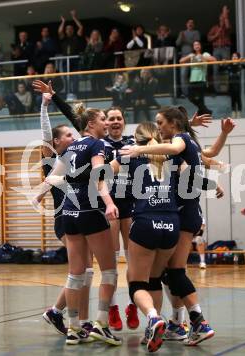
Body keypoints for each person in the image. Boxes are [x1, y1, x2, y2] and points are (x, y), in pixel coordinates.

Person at [120, 107, 234, 346]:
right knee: (164, 274)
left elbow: (181, 155)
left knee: (173, 272)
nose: (158, 126)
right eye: (157, 123)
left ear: (172, 124)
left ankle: (195, 321)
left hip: (181, 215)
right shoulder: (179, 144)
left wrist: (139, 148)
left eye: (161, 122)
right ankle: (175, 323)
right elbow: (208, 153)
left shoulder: (177, 145)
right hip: (182, 215)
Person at [40, 103, 122, 346]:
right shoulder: (96, 145)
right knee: (109, 271)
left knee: (76, 274)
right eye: (103, 120)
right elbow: (99, 176)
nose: (106, 123)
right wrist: (108, 202)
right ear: (91, 124)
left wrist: (38, 195)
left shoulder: (70, 148)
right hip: (90, 209)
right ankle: (101, 324)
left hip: (68, 213)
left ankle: (74, 328)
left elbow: (52, 176)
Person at [108, 121, 182, 352]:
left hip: (145, 221)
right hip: (171, 224)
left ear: (136, 139)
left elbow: (101, 173)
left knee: (136, 282)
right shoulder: (170, 154)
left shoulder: (130, 154)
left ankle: (152, 317)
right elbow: (195, 170)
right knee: (154, 279)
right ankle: (155, 324)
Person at [32, 81, 96, 337]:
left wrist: (55, 98)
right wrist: (44, 106)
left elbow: (80, 124)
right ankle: (74, 322)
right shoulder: (53, 159)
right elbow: (46, 133)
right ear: (58, 141)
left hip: (81, 215)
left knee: (85, 270)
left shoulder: (79, 153)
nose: (74, 137)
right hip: (65, 218)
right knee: (79, 271)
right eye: (68, 135)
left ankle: (65, 315)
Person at [102, 107, 139, 331]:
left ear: (124, 121)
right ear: (105, 122)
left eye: (119, 118)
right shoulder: (100, 144)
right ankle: (113, 307)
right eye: (111, 118)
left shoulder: (133, 142)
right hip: (110, 204)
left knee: (135, 259)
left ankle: (133, 305)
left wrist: (188, 126)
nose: (115, 121)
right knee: (111, 261)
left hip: (132, 203)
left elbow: (163, 138)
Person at [179, 41, 216, 115]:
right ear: (193, 47)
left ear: (200, 46)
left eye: (198, 44)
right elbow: (181, 61)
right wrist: (189, 56)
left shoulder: (205, 54)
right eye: (195, 45)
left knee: (201, 99)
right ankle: (206, 111)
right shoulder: (192, 55)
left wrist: (202, 57)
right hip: (192, 80)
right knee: (190, 97)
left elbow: (214, 59)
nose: (196, 46)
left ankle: (202, 113)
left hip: (202, 80)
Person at [58, 9, 85, 98]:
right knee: (66, 78)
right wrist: (63, 22)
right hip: (66, 60)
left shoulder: (76, 37)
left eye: (70, 29)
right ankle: (67, 93)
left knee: (75, 77)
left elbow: (81, 28)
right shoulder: (63, 38)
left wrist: (74, 18)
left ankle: (75, 93)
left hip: (75, 60)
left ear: (73, 30)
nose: (69, 30)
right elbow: (59, 32)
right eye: (67, 29)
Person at [207, 5, 232, 92]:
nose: (222, 18)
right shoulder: (214, 27)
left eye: (224, 17)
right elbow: (209, 38)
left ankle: (228, 89)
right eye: (221, 17)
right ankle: (217, 90)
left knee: (226, 66)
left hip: (225, 49)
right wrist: (216, 35)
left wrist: (226, 16)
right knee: (215, 69)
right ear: (219, 18)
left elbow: (228, 27)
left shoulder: (226, 25)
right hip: (216, 50)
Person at [220, 52, 245, 118]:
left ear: (238, 57)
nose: (234, 57)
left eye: (236, 56)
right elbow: (221, 69)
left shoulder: (240, 64)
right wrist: (222, 63)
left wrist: (244, 61)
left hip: (238, 84)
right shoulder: (229, 65)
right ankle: (233, 111)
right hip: (231, 85)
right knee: (233, 99)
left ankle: (239, 112)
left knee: (238, 98)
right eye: (233, 56)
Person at [176, 19, 201, 96]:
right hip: (184, 56)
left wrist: (185, 39)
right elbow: (177, 43)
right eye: (188, 23)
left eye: (192, 23)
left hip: (194, 56)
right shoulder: (182, 33)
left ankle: (196, 93)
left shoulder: (196, 32)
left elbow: (196, 43)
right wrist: (181, 36)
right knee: (183, 75)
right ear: (186, 24)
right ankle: (185, 93)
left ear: (194, 25)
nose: (190, 24)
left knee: (195, 75)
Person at [83, 30, 104, 96]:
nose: (94, 36)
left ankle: (101, 95)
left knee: (99, 82)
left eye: (96, 34)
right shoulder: (89, 44)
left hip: (98, 65)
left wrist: (93, 45)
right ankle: (94, 95)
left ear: (98, 36)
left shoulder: (100, 43)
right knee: (93, 82)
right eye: (93, 34)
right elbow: (86, 52)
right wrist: (89, 44)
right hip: (91, 66)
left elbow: (98, 51)